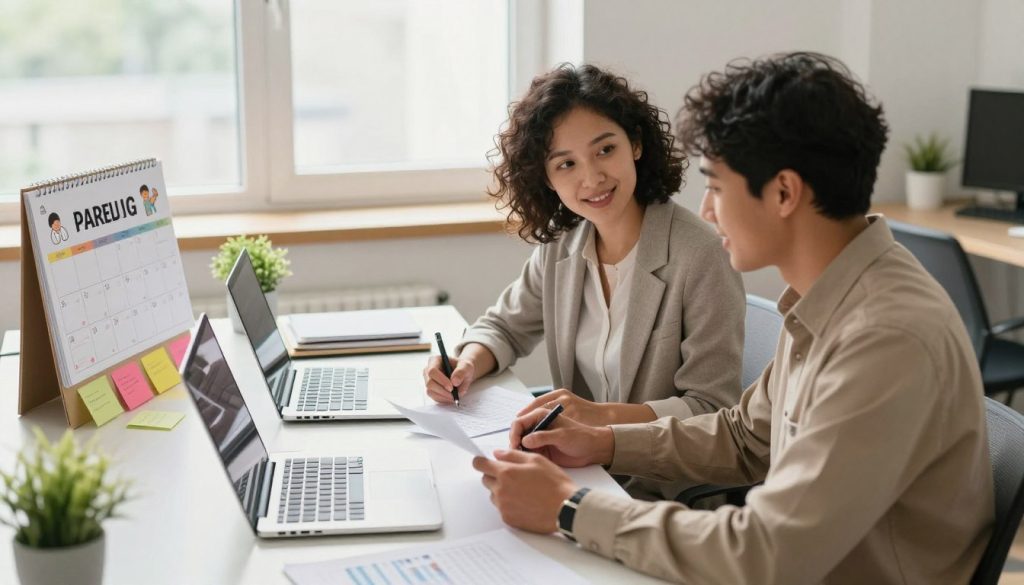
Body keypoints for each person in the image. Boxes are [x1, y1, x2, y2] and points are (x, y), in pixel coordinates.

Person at [473, 52, 994, 584]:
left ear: (784, 192)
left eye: (717, 186)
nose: (706, 210)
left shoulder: (883, 338)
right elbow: (747, 438)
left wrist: (570, 508)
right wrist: (604, 440)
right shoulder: (831, 296)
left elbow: (769, 553)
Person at [423, 64, 744, 440]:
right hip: (577, 464)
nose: (592, 179)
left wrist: (599, 416)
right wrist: (465, 364)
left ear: (636, 144)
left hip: (653, 481)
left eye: (605, 150)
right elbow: (504, 328)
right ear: (546, 177)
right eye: (566, 164)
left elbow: (712, 409)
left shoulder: (701, 254)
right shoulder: (562, 247)